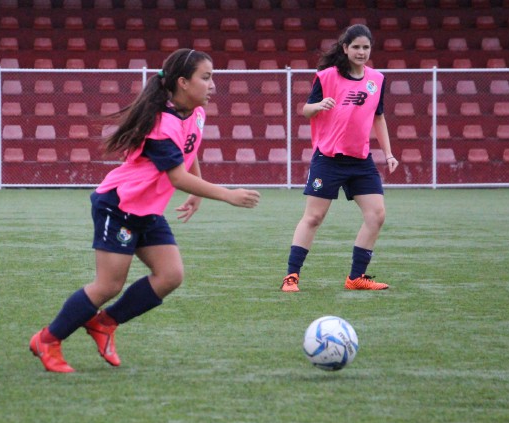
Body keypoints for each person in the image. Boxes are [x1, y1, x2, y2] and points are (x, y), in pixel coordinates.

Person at [30, 48, 261, 373]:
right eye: (206, 78)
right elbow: (176, 176)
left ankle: (104, 324)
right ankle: (48, 340)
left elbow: (188, 150)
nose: (212, 86)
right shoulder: (161, 124)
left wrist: (199, 187)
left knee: (170, 275)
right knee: (109, 285)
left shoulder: (195, 111)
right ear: (182, 82)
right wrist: (226, 194)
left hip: (146, 210)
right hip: (118, 205)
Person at [281, 24, 399, 293]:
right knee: (313, 218)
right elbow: (306, 109)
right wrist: (318, 106)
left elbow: (378, 117)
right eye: (355, 47)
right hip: (329, 158)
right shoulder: (326, 77)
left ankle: (356, 277)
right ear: (345, 48)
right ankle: (291, 276)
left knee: (376, 215)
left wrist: (389, 153)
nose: (361, 52)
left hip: (361, 160)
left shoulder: (377, 80)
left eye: (365, 47)